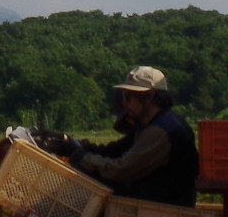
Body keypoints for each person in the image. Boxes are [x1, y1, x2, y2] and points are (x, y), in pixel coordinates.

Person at [64, 65, 199, 206]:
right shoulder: (149, 125)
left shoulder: (160, 131)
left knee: (90, 174)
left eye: (128, 97)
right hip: (155, 197)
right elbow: (115, 150)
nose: (124, 102)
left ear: (148, 96)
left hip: (164, 204)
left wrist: (84, 158)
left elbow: (121, 170)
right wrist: (74, 145)